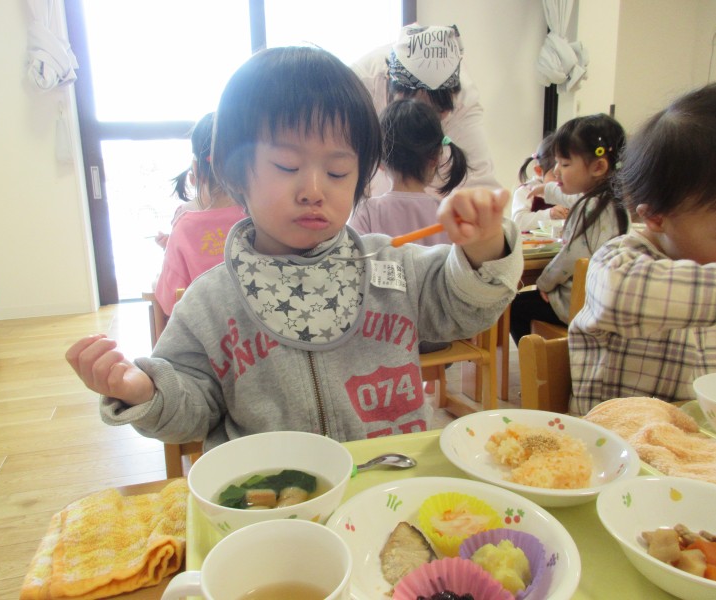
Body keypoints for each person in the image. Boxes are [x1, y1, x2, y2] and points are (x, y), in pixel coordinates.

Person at [65, 46, 523, 450]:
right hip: (275, 502)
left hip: (388, 490)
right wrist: (144, 391)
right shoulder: (210, 302)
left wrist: (484, 245)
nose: (313, 190)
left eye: (338, 172)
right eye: (287, 165)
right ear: (235, 170)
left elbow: (464, 308)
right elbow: (193, 407)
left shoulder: (390, 267)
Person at [568, 82, 716, 415]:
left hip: (715, 438)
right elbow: (623, 292)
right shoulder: (618, 264)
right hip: (623, 438)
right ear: (656, 216)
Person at [509, 114, 629, 343]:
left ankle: (538, 360)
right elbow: (570, 197)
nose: (557, 170)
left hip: (578, 303)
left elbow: (571, 258)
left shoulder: (588, 207)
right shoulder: (611, 201)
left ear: (598, 167)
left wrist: (544, 282)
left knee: (515, 307)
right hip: (603, 301)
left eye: (564, 164)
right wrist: (546, 190)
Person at [353, 23, 499, 198]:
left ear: (453, 96)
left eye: (435, 112)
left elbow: (480, 185)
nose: (421, 122)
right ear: (389, 82)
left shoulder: (463, 102)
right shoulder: (360, 88)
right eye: (411, 108)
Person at [153, 113, 245, 316]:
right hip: (261, 332)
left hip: (204, 333)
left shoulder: (184, 227)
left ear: (196, 170)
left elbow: (170, 302)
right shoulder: (264, 219)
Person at [349, 98, 469, 245]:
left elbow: (350, 255)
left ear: (380, 161)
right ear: (435, 158)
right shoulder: (448, 214)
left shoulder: (366, 212)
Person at [510, 133, 575, 232]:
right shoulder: (526, 191)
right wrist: (549, 214)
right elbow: (518, 222)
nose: (561, 179)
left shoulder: (571, 192)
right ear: (539, 171)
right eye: (555, 175)